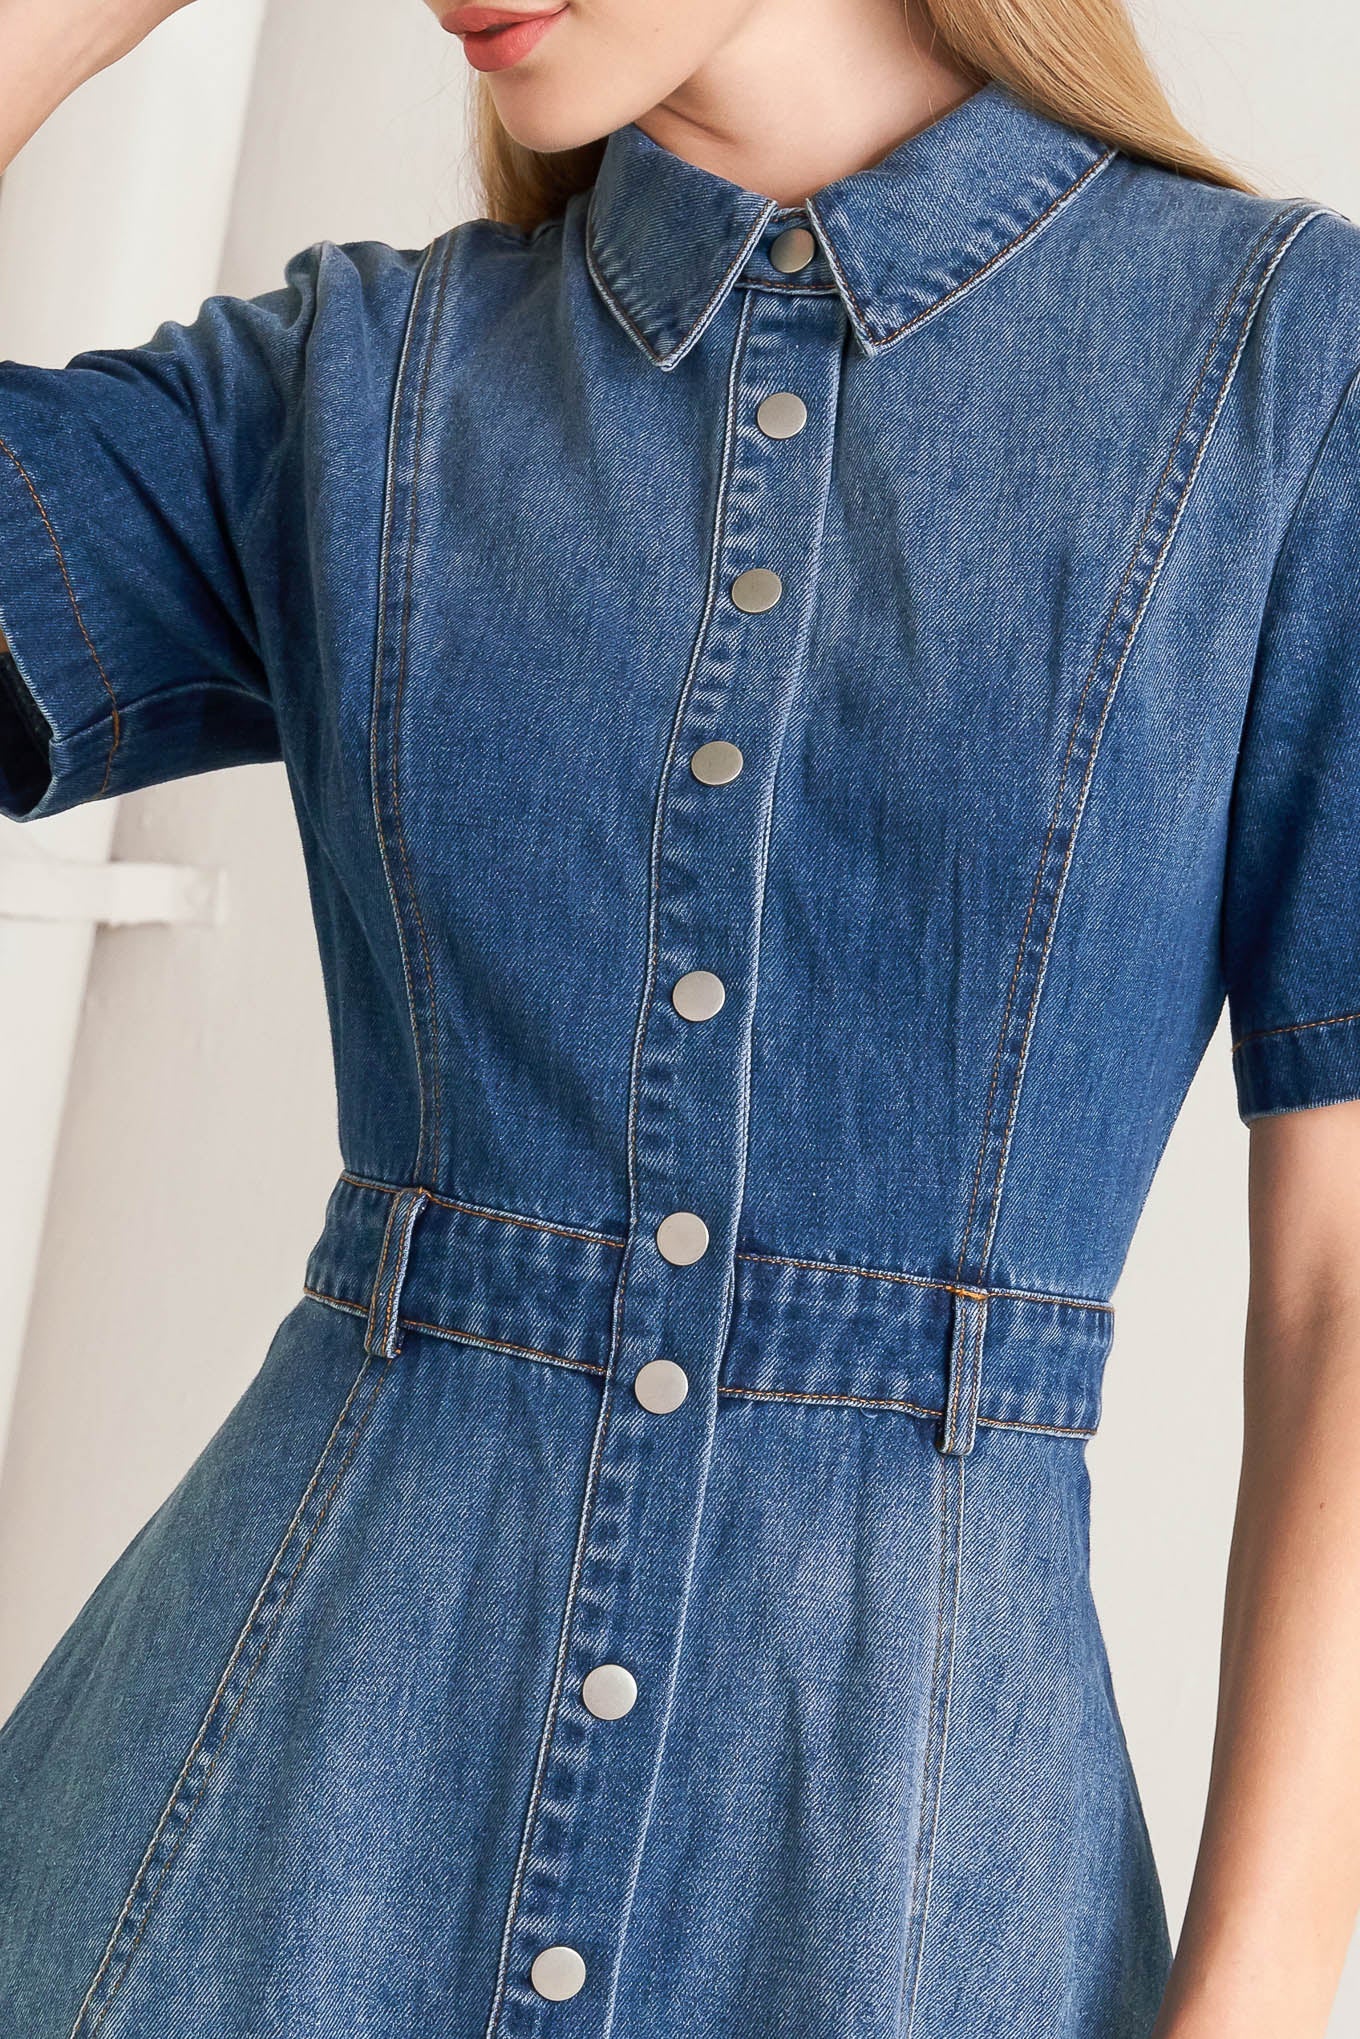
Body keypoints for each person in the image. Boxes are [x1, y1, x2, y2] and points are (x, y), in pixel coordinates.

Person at [0, 0, 1358, 2033]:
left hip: (898, 1918)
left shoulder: (1287, 374)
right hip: (242, 1876)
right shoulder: (355, 388)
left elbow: (1342, 1289)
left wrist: (1249, 2007)